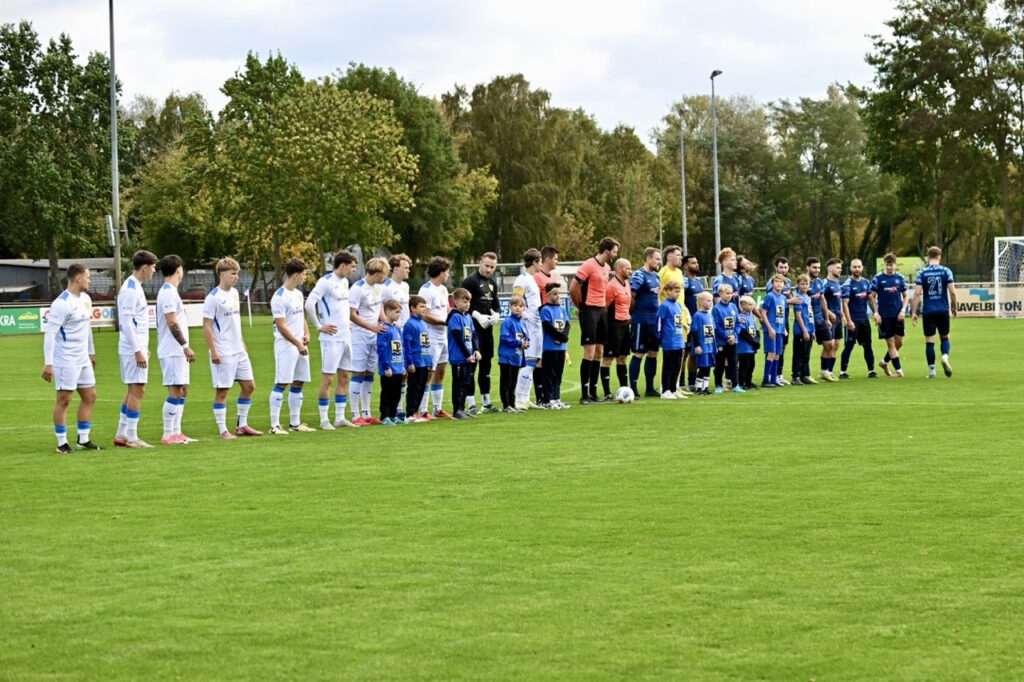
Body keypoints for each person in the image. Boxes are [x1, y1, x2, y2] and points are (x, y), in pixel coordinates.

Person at [41, 263, 101, 453]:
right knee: (64, 399)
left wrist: (91, 352)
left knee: (90, 396)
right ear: (78, 278)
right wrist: (48, 363)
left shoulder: (86, 299)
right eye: (88, 277)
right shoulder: (61, 303)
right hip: (65, 359)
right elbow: (50, 334)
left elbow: (87, 327)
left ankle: (83, 439)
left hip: (83, 358)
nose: (89, 280)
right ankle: (61, 443)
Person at [202, 257, 262, 439]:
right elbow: (206, 325)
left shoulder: (235, 293)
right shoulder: (213, 297)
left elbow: (234, 323)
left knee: (249, 386)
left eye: (237, 273)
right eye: (233, 273)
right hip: (223, 351)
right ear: (221, 274)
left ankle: (241, 425)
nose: (236, 276)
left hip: (239, 350)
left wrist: (242, 345)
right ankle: (222, 430)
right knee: (222, 391)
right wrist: (213, 351)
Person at [304, 250, 359, 430]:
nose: (354, 270)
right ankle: (323, 419)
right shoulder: (325, 282)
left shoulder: (344, 282)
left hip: (345, 336)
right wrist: (320, 326)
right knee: (328, 378)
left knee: (344, 376)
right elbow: (309, 304)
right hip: (331, 338)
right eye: (352, 266)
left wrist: (347, 324)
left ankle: (339, 417)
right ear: (342, 265)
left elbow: (341, 307)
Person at [114, 250, 158, 448]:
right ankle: (132, 437)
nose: (154, 271)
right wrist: (137, 349)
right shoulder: (131, 289)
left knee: (132, 389)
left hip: (134, 347)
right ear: (145, 267)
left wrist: (142, 347)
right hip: (132, 349)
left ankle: (121, 434)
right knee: (138, 390)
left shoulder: (135, 287)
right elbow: (126, 323)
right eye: (153, 267)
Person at [569, 236, 619, 404]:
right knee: (589, 352)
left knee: (599, 352)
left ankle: (593, 392)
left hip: (602, 310)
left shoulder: (607, 267)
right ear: (606, 251)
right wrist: (582, 307)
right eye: (614, 251)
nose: (615, 254)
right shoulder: (588, 265)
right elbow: (573, 288)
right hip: (589, 310)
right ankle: (584, 395)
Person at [155, 254, 197, 445]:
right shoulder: (168, 293)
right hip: (172, 350)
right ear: (178, 269)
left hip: (177, 351)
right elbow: (171, 322)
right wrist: (185, 346)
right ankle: (167, 434)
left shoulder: (171, 291)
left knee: (183, 389)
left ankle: (177, 432)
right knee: (175, 389)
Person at [268, 258, 313, 435]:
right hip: (286, 346)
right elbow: (281, 325)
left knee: (298, 381)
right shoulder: (279, 297)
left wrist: (306, 333)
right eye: (304, 274)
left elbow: (301, 316)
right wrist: (296, 342)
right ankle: (274, 425)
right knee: (282, 382)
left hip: (299, 344)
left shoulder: (298, 294)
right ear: (295, 275)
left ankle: (295, 423)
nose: (305, 277)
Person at [348, 257, 390, 425]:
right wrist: (371, 327)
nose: (385, 277)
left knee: (369, 374)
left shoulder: (379, 288)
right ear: (376, 272)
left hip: (375, 336)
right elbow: (351, 314)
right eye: (383, 274)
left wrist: (386, 324)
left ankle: (366, 413)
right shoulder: (357, 289)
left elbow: (379, 307)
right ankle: (354, 414)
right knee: (357, 373)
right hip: (360, 336)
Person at [460, 252, 502, 414]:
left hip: (487, 332)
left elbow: (496, 304)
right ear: (480, 263)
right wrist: (476, 315)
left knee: (486, 367)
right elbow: (462, 303)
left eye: (492, 267)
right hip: (472, 331)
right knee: (472, 367)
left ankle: (486, 401)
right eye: (486, 266)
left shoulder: (492, 282)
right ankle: (470, 403)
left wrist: (496, 315)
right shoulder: (469, 281)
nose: (489, 269)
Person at [912, 245, 957, 378]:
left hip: (928, 310)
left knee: (929, 340)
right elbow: (953, 292)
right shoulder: (946, 271)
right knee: (944, 336)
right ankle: (944, 356)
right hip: (942, 309)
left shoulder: (922, 272)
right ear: (939, 256)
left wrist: (914, 312)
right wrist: (954, 307)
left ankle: (932, 371)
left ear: (928, 257)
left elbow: (917, 293)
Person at [418, 257, 453, 417]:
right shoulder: (426, 290)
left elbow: (447, 309)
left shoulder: (443, 290)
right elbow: (424, 314)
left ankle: (437, 408)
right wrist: (442, 322)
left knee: (440, 371)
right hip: (431, 336)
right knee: (429, 372)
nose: (448, 274)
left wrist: (452, 320)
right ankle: (423, 409)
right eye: (447, 271)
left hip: (443, 336)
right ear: (441, 272)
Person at [628, 247, 662, 398]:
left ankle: (649, 388)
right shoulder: (639, 275)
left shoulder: (656, 276)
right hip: (641, 320)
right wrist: (632, 313)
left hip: (654, 320)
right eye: (656, 258)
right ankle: (633, 388)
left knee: (653, 353)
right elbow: (631, 295)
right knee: (638, 353)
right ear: (648, 258)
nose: (658, 262)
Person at [513, 248, 544, 409]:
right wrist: (525, 315)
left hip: (536, 325)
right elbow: (516, 299)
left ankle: (525, 398)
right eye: (540, 261)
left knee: (533, 363)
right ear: (534, 262)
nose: (541, 264)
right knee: (528, 363)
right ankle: (519, 400)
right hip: (528, 326)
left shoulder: (532, 279)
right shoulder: (522, 279)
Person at [870, 252, 909, 378]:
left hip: (898, 315)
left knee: (899, 343)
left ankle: (884, 362)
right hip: (884, 316)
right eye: (887, 264)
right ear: (884, 264)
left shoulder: (900, 278)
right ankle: (898, 370)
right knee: (891, 343)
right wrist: (876, 313)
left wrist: (903, 310)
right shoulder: (878, 278)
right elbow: (871, 297)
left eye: (891, 265)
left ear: (895, 265)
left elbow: (906, 295)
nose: (889, 267)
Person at [383, 253, 413, 419]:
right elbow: (382, 308)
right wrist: (387, 325)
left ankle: (399, 408)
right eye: (405, 267)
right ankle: (389, 410)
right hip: (393, 333)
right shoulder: (387, 287)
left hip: (404, 333)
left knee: (404, 370)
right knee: (392, 371)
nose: (408, 270)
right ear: (395, 269)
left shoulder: (405, 286)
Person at [839, 258, 878, 379]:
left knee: (868, 345)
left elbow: (870, 299)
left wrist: (876, 312)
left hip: (864, 320)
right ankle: (842, 372)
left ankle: (871, 370)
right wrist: (848, 320)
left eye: (859, 266)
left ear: (862, 268)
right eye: (854, 267)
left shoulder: (866, 282)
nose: (857, 269)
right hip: (853, 320)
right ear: (850, 268)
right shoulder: (847, 284)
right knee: (849, 346)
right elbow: (844, 303)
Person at [601, 258, 632, 401]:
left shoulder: (627, 284)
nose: (630, 271)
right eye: (627, 268)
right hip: (613, 326)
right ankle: (607, 393)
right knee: (608, 358)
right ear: (619, 269)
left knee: (623, 357)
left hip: (625, 324)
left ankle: (626, 389)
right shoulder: (611, 286)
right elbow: (604, 307)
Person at [447, 287, 480, 419]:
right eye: (464, 301)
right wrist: (467, 354)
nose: (467, 304)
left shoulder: (468, 317)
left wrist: (476, 350)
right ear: (455, 301)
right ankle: (457, 409)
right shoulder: (454, 317)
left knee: (466, 383)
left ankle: (462, 407)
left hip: (469, 357)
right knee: (458, 383)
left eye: (468, 302)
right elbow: (458, 337)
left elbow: (473, 335)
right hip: (459, 357)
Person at [402, 295, 433, 422]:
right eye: (421, 306)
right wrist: (409, 362)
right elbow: (407, 345)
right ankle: (410, 413)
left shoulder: (423, 323)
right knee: (414, 387)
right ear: (412, 308)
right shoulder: (410, 324)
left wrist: (429, 360)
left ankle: (416, 411)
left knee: (421, 387)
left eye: (425, 306)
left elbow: (426, 343)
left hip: (424, 361)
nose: (424, 309)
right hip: (416, 361)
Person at [807, 257, 837, 383]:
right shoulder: (804, 282)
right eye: (814, 267)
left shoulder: (819, 281)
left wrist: (827, 317)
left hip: (820, 319)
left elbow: (822, 299)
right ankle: (804, 374)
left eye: (818, 267)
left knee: (829, 344)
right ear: (808, 267)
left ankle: (824, 372)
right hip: (809, 320)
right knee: (807, 349)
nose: (817, 270)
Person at [540, 283, 570, 409]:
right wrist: (558, 337)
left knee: (558, 374)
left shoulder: (562, 309)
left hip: (560, 347)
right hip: (549, 347)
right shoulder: (545, 309)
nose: (557, 296)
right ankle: (548, 399)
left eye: (558, 293)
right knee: (549, 374)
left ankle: (556, 397)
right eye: (554, 293)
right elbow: (547, 327)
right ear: (547, 295)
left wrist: (563, 337)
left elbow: (567, 324)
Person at [376, 299, 406, 425]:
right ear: (387, 311)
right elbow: (381, 349)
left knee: (396, 392)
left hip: (398, 367)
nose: (398, 315)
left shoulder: (396, 329)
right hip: (389, 368)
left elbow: (401, 348)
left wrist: (403, 364)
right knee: (387, 392)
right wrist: (385, 366)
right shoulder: (384, 329)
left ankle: (393, 415)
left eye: (400, 312)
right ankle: (385, 415)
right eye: (396, 312)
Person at [498, 294, 529, 413]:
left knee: (513, 382)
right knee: (506, 381)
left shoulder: (523, 323)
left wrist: (526, 343)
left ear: (523, 308)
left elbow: (526, 338)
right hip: (507, 357)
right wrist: (518, 343)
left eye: (520, 306)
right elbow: (505, 338)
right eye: (515, 305)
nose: (518, 308)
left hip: (517, 356)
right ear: (510, 307)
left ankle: (512, 403)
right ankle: (506, 405)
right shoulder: (507, 321)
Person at [656, 280, 687, 399]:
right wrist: (660, 337)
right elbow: (659, 322)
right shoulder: (664, 305)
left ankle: (674, 389)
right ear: (668, 291)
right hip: (669, 340)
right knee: (668, 365)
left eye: (679, 292)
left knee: (677, 365)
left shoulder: (678, 305)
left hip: (678, 340)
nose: (678, 294)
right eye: (676, 291)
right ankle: (665, 390)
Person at [769, 257, 797, 386]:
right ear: (776, 268)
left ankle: (778, 375)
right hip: (775, 320)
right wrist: (791, 301)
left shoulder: (788, 281)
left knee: (782, 348)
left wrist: (792, 298)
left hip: (784, 318)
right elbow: (775, 300)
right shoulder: (772, 283)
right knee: (772, 349)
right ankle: (770, 375)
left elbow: (788, 295)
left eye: (786, 267)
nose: (783, 270)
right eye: (781, 267)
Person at [712, 282, 742, 393]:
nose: (729, 295)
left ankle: (735, 385)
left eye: (731, 293)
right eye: (727, 293)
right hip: (722, 342)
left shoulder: (733, 306)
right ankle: (718, 385)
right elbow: (716, 326)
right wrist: (726, 337)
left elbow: (738, 323)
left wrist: (733, 335)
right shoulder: (716, 309)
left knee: (733, 363)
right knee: (719, 364)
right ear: (720, 294)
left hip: (733, 341)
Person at [759, 274, 788, 388]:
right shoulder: (770, 296)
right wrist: (769, 328)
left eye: (781, 282)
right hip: (771, 330)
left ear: (784, 285)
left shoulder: (784, 298)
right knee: (771, 353)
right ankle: (765, 380)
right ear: (772, 284)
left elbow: (783, 315)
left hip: (779, 330)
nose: (779, 284)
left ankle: (774, 378)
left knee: (777, 355)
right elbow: (763, 313)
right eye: (776, 281)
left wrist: (784, 328)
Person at [819, 258, 844, 381]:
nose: (840, 270)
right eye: (838, 267)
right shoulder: (825, 283)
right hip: (830, 317)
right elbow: (820, 300)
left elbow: (839, 300)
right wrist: (828, 313)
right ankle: (824, 371)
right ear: (830, 268)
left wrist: (842, 313)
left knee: (837, 345)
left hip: (838, 317)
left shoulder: (837, 283)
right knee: (830, 344)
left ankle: (829, 371)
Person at [681, 254, 703, 391]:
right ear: (685, 266)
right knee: (684, 353)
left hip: (697, 323)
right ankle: (681, 381)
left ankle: (692, 382)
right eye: (693, 263)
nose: (696, 264)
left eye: (697, 262)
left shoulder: (699, 282)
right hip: (686, 323)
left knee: (694, 354)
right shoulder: (684, 281)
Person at [689, 291, 717, 395]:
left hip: (710, 346)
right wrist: (696, 345)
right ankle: (698, 387)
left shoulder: (710, 315)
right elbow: (694, 331)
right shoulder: (697, 315)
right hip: (703, 346)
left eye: (711, 301)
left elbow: (713, 330)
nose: (711, 303)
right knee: (703, 367)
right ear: (701, 302)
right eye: (708, 301)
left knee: (708, 366)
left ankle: (705, 387)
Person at [791, 274, 816, 384]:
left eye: (806, 284)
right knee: (798, 354)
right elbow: (798, 316)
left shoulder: (808, 297)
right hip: (801, 331)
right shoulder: (798, 298)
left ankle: (805, 375)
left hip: (809, 330)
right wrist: (804, 330)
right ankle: (795, 376)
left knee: (806, 354)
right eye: (802, 284)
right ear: (798, 285)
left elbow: (810, 315)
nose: (805, 286)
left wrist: (812, 330)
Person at [736, 295, 760, 390]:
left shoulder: (752, 317)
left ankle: (749, 381)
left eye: (752, 305)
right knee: (744, 365)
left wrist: (757, 340)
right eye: (749, 304)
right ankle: (742, 383)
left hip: (751, 346)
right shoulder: (741, 317)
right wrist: (753, 341)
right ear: (743, 305)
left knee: (751, 364)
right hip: (744, 346)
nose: (751, 306)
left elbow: (756, 330)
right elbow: (742, 332)